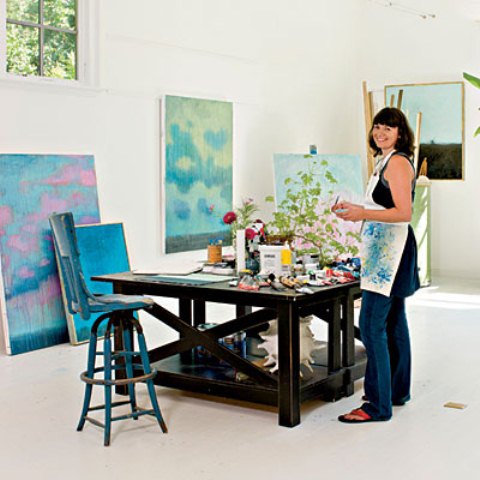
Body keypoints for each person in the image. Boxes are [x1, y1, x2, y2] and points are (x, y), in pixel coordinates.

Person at [332, 107, 420, 423]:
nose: (380, 133)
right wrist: (356, 208)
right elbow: (381, 205)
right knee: (394, 322)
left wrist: (363, 214)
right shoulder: (385, 161)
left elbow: (403, 212)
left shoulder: (396, 162)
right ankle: (395, 393)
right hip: (388, 249)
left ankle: (376, 406)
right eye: (377, 127)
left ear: (400, 133)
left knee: (371, 325)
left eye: (388, 128)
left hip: (390, 253)